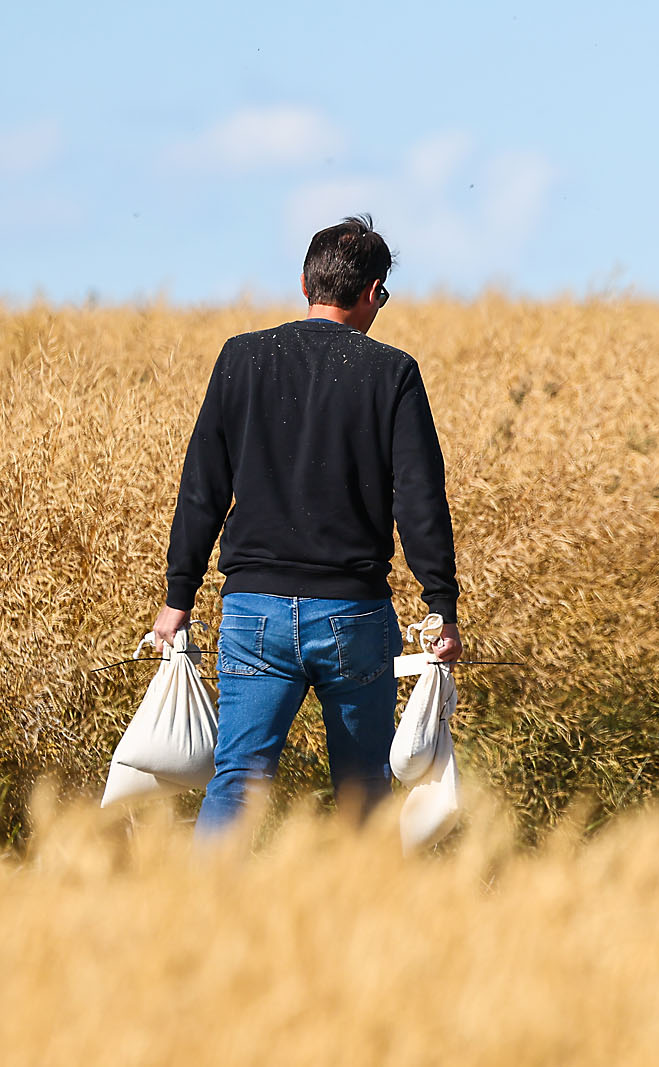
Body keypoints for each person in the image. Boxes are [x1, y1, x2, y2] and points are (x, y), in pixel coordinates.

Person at [150, 214, 462, 840]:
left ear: (303, 283)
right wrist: (440, 605)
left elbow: (203, 485)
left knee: (236, 778)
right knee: (363, 788)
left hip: (252, 611)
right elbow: (419, 498)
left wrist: (177, 596)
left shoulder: (241, 358)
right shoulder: (392, 372)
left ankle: (196, 922)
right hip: (352, 615)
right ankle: (359, 926)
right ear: (374, 292)